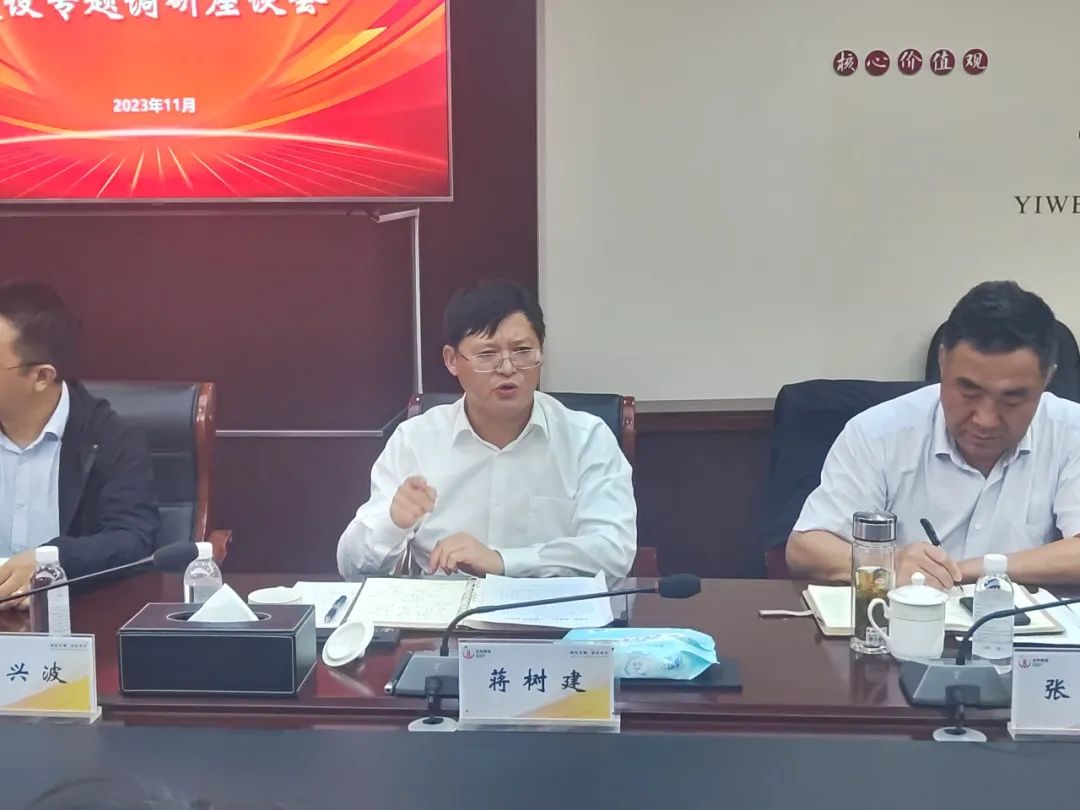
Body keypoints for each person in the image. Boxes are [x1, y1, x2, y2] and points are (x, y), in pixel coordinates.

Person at [787, 280, 1080, 588]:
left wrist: (971, 570)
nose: (985, 420)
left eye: (1012, 399)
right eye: (969, 392)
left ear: (1047, 378)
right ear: (942, 362)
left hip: (1024, 619)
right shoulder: (878, 433)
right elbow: (806, 548)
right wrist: (890, 564)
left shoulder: (1071, 432)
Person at [337, 281, 636, 579]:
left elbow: (613, 553)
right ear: (452, 360)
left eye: (522, 351)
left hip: (550, 607)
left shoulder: (586, 439)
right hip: (443, 607)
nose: (507, 368)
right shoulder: (415, 440)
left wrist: (502, 561)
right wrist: (392, 524)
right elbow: (351, 567)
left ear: (541, 352)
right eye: (486, 354)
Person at [0, 282, 159, 610]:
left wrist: (52, 561)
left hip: (71, 619)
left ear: (41, 377)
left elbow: (132, 539)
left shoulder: (112, 438)